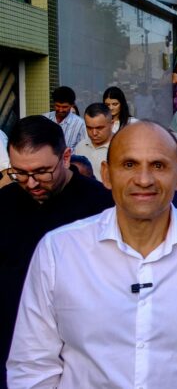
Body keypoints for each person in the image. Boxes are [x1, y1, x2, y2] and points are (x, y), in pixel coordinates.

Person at [7, 121, 177, 388]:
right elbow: (32, 365)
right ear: (106, 174)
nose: (144, 179)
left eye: (158, 165)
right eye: (129, 165)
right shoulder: (60, 251)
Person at [0, 116, 114, 385]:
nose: (30, 183)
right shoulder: (3, 203)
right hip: (12, 349)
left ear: (65, 157)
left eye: (41, 172)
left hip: (82, 356)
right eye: (20, 173)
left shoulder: (102, 207)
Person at [75, 103, 114, 180]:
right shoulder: (80, 146)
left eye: (99, 128)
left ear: (111, 124)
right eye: (89, 128)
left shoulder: (121, 148)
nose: (94, 133)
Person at [44, 86, 85, 150]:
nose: (60, 110)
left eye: (64, 107)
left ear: (72, 105)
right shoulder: (44, 119)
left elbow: (82, 148)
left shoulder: (80, 124)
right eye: (57, 106)